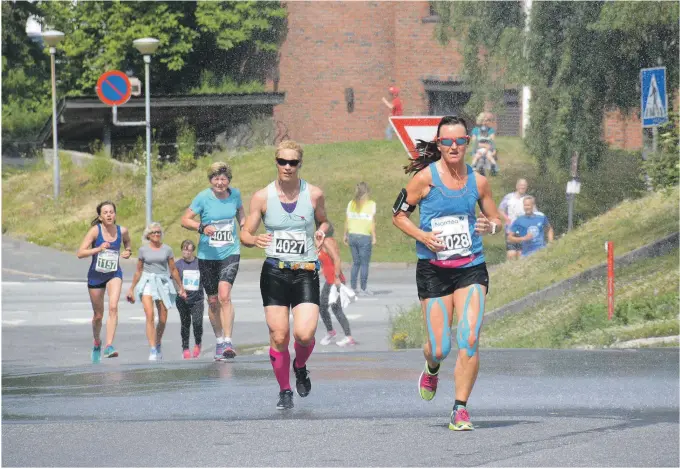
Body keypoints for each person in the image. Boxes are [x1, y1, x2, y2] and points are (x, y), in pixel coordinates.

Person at [392, 115, 502, 431]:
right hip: (434, 271)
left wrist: (490, 225)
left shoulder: (479, 181)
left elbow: (496, 220)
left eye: (459, 141)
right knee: (440, 346)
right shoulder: (424, 179)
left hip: (471, 268)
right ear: (439, 145)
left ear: (467, 143)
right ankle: (432, 365)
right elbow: (398, 215)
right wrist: (423, 236)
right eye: (447, 142)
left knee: (468, 337)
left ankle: (460, 408)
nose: (453, 147)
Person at [240, 140, 330, 410]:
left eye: (293, 162)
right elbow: (245, 233)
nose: (288, 167)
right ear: (276, 163)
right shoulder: (261, 197)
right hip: (275, 272)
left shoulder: (313, 194)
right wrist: (253, 240)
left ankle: (300, 366)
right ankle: (285, 390)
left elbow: (324, 219)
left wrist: (322, 231)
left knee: (304, 334)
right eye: (283, 162)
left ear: (300, 164)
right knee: (279, 336)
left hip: (305, 270)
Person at [181, 162, 245, 361]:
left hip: (230, 252)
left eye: (224, 178)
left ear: (229, 180)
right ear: (210, 180)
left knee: (225, 295)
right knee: (213, 300)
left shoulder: (235, 194)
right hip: (208, 255)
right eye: (216, 179)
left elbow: (240, 211)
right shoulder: (203, 197)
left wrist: (244, 225)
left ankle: (228, 341)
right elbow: (185, 219)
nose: (220, 182)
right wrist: (202, 227)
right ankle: (219, 341)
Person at [77, 201, 132, 363]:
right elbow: (80, 253)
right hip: (96, 275)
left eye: (111, 212)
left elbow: (128, 243)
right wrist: (98, 249)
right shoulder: (95, 231)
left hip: (114, 273)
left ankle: (109, 346)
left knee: (113, 307)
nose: (109, 215)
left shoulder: (122, 230)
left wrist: (127, 251)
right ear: (100, 217)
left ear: (115, 214)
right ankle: (97, 343)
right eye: (105, 212)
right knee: (98, 316)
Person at [126, 223, 186, 361]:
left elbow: (173, 269)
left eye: (158, 232)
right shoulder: (143, 250)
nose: (156, 234)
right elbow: (138, 271)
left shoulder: (167, 249)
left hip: (163, 282)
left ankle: (158, 342)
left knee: (163, 319)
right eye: (153, 232)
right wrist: (131, 289)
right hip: (147, 281)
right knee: (150, 315)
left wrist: (180, 286)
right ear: (148, 235)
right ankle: (152, 349)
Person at [318, 224, 356, 347]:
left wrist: (336, 278)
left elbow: (337, 259)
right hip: (330, 279)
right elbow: (327, 263)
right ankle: (332, 332)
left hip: (334, 280)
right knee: (324, 307)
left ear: (328, 230)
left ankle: (347, 337)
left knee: (335, 308)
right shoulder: (323, 241)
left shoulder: (327, 242)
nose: (319, 229)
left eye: (323, 227)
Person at [343, 182, 377, 296]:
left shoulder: (351, 204)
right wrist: (374, 236)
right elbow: (371, 222)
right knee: (364, 264)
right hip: (364, 236)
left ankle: (353, 288)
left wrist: (345, 235)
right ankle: (363, 288)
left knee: (356, 263)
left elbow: (347, 221)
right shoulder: (371, 204)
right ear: (367, 192)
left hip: (352, 235)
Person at [175, 239, 204, 359]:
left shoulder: (199, 263)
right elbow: (174, 279)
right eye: (184, 249)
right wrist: (179, 289)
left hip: (197, 299)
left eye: (188, 250)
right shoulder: (178, 264)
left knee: (197, 323)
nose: (186, 252)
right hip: (182, 299)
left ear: (193, 251)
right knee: (185, 324)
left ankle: (198, 343)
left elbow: (206, 279)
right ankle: (185, 347)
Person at [499, 178, 533, 261]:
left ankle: (518, 272)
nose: (522, 187)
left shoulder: (529, 198)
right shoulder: (509, 197)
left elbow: (534, 212)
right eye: (521, 185)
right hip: (511, 230)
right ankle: (508, 271)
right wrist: (507, 219)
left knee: (521, 255)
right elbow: (500, 209)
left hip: (524, 230)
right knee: (511, 254)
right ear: (517, 186)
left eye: (524, 186)